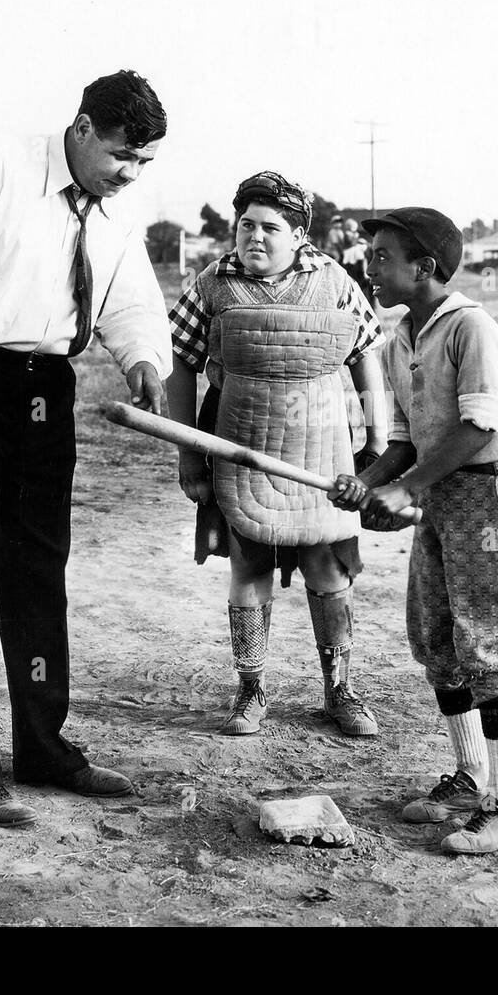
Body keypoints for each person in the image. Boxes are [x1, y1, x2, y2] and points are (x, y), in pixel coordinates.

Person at [0, 69, 172, 827]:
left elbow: (129, 296)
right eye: (123, 155)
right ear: (82, 129)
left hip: (46, 388)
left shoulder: (118, 205)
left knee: (36, 567)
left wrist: (144, 358)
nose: (132, 173)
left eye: (144, 162)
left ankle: (43, 745)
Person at [331, 207, 498, 855]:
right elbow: (401, 441)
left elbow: (477, 427)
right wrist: (366, 480)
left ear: (426, 267)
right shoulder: (398, 341)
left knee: (490, 638)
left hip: (484, 491)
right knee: (437, 634)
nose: (371, 265)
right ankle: (473, 779)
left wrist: (407, 485)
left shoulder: (470, 328)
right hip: (442, 492)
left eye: (383, 255)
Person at [167, 171, 388, 739]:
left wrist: (378, 438)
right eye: (246, 225)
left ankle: (340, 688)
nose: (255, 238)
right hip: (237, 438)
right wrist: (189, 453)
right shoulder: (214, 283)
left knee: (327, 562)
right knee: (249, 561)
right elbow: (181, 362)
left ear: (298, 236)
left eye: (270, 227)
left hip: (321, 443)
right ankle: (251, 688)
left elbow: (366, 357)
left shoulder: (333, 281)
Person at [340, 217, 374, 306]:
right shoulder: (347, 234)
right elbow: (350, 243)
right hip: (349, 251)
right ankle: (364, 272)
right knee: (361, 253)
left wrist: (359, 241)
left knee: (364, 248)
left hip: (352, 250)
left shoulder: (352, 234)